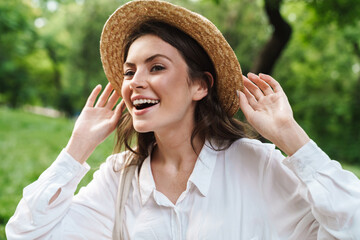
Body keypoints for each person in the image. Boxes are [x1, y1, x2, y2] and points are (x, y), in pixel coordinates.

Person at [6, 0, 360, 239]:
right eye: (129, 72)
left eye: (156, 67)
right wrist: (76, 149)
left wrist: (290, 136)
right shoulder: (119, 179)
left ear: (199, 86)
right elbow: (26, 232)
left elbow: (351, 224)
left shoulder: (258, 165)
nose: (134, 82)